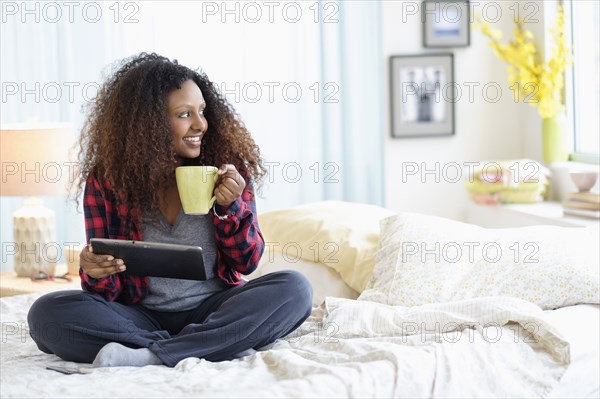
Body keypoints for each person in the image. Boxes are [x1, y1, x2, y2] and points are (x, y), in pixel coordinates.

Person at [27, 53, 313, 368]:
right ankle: (212, 345)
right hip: (139, 315)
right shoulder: (108, 179)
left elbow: (248, 263)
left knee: (295, 289)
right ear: (148, 124)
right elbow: (105, 293)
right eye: (184, 114)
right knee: (45, 314)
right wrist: (94, 270)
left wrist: (229, 209)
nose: (200, 124)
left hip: (215, 307)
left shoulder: (226, 169)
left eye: (202, 111)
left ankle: (151, 355)